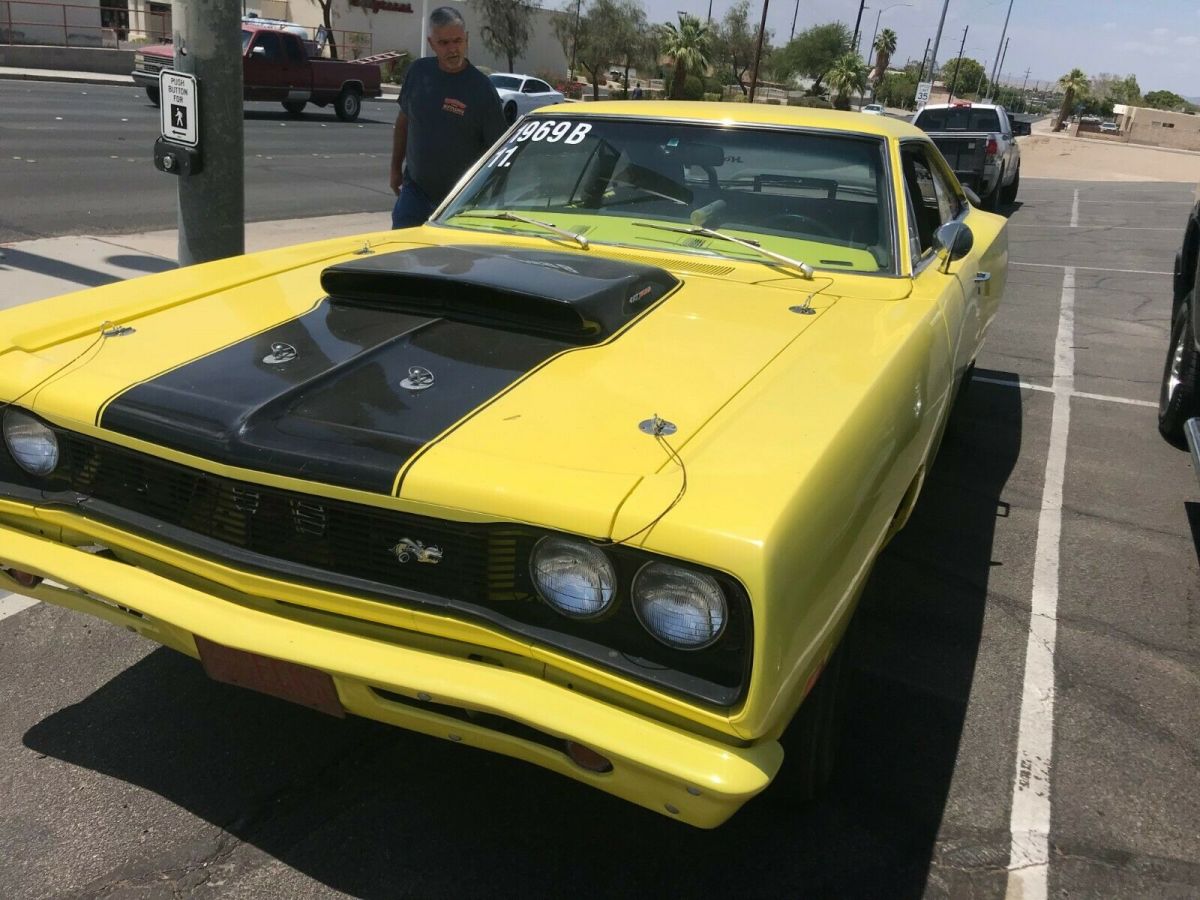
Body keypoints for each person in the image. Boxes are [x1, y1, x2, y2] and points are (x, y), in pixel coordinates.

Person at [389, 6, 506, 229]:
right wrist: (395, 170)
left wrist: (488, 202)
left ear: (467, 40)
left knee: (453, 262)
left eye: (458, 41)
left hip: (460, 202)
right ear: (432, 43)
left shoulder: (482, 89)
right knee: (401, 254)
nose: (453, 49)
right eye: (444, 43)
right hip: (415, 193)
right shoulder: (418, 73)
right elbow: (403, 122)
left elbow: (498, 152)